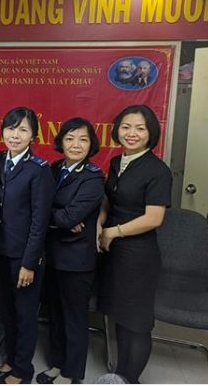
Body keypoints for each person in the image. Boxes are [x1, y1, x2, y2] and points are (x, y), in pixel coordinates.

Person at [97, 105, 172, 384]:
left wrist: (112, 232)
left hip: (138, 256)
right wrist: (99, 223)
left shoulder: (157, 170)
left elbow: (154, 218)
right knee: (120, 315)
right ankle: (120, 375)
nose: (132, 133)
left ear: (151, 132)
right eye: (126, 126)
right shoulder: (118, 162)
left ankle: (130, 378)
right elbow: (109, 200)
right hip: (114, 252)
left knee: (136, 323)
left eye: (140, 128)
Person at [0, 107, 55, 384]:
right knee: (6, 311)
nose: (15, 135)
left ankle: (22, 370)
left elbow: (40, 222)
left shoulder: (38, 170)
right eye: (11, 128)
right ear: (2, 131)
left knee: (25, 315)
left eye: (23, 130)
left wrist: (30, 262)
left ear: (33, 137)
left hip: (24, 256)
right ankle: (10, 360)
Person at [37, 118, 105, 384]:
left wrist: (52, 218)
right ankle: (56, 363)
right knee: (54, 314)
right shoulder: (53, 169)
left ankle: (72, 373)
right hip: (51, 255)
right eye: (70, 138)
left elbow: (68, 217)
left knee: (74, 318)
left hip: (77, 261)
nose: (76, 145)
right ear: (61, 141)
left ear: (91, 144)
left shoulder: (93, 178)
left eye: (83, 139)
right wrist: (57, 218)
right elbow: (41, 207)